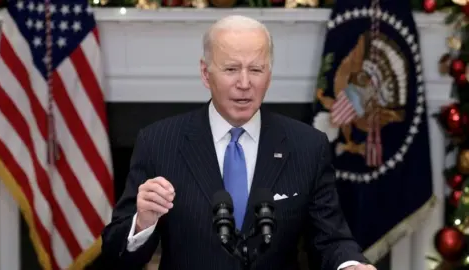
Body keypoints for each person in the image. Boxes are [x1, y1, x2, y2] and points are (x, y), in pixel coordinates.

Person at [101, 15, 377, 270]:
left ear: (269, 74)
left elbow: (330, 240)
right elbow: (116, 257)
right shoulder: (159, 142)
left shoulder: (307, 146)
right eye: (231, 68)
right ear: (205, 73)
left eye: (256, 69)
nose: (244, 83)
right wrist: (143, 223)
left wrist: (350, 266)